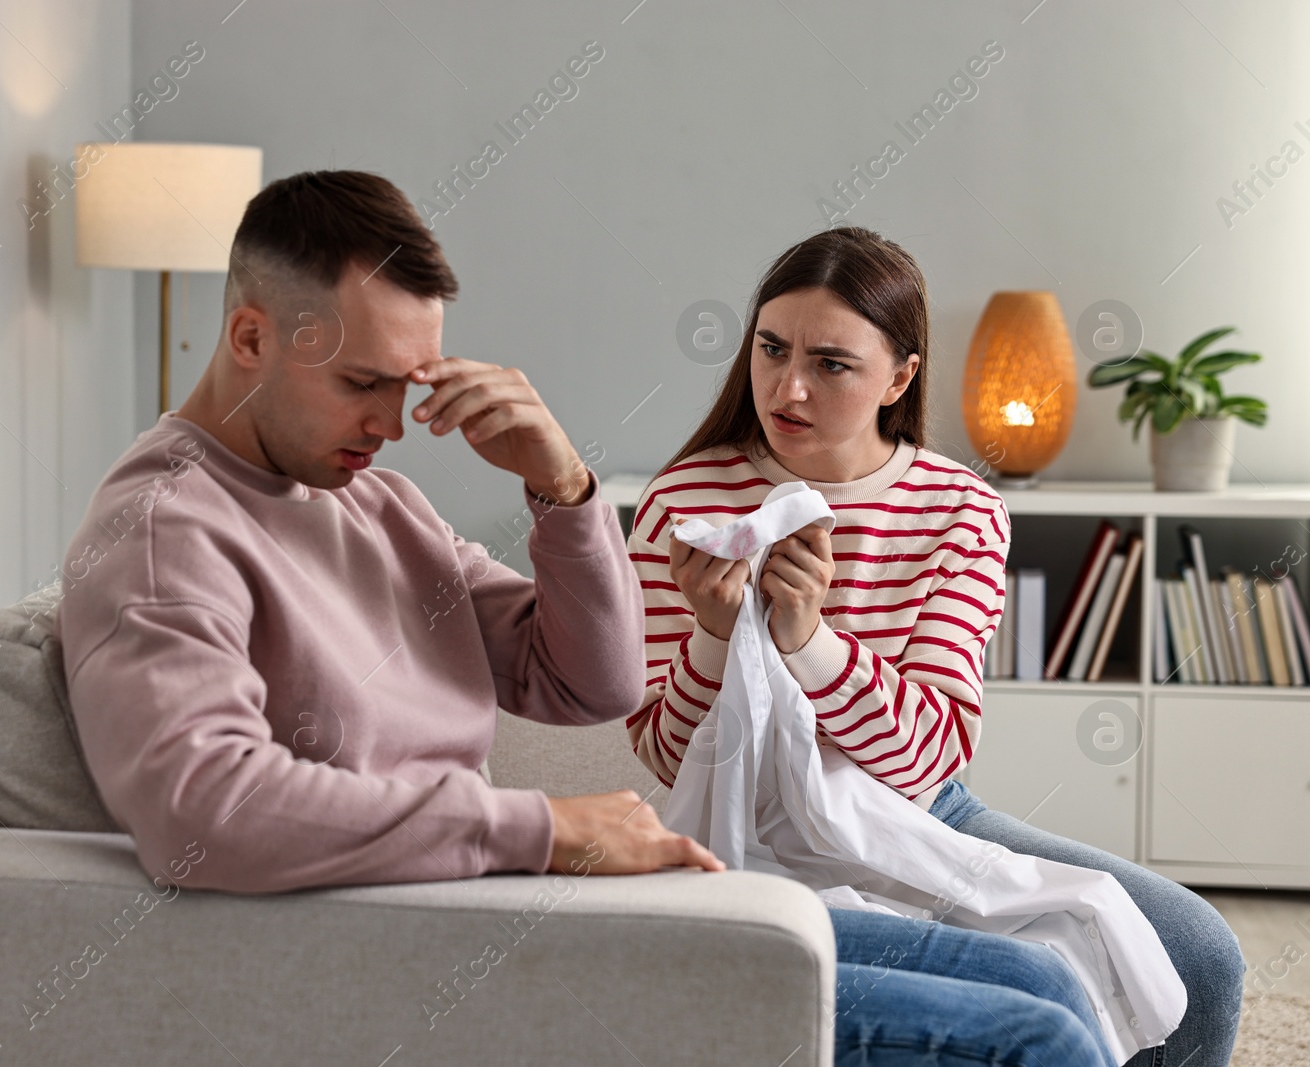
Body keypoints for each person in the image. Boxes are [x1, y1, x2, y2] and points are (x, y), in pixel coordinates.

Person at [58, 171, 1106, 1064]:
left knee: (1045, 978)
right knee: (1037, 1041)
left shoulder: (364, 497)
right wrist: (547, 828)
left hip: (494, 896)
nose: (390, 423)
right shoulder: (164, 527)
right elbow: (200, 807)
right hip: (417, 943)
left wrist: (561, 491)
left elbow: (584, 682)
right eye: (361, 383)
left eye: (408, 383)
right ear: (249, 335)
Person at [627, 225, 1246, 1066]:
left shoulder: (959, 509)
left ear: (901, 376)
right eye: (770, 349)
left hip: (921, 812)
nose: (789, 388)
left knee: (1202, 956)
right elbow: (666, 756)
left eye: (832, 364)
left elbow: (927, 760)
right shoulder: (685, 498)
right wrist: (710, 633)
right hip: (746, 826)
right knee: (1029, 990)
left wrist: (810, 641)